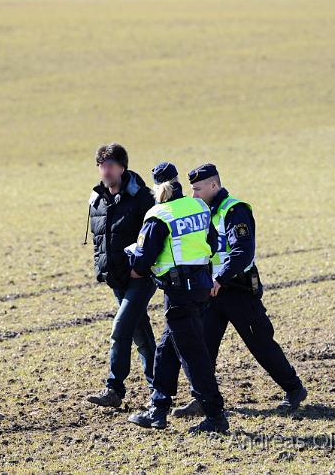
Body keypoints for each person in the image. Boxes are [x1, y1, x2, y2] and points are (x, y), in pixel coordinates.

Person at [171, 163, 307, 419]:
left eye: (198, 189)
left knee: (260, 343)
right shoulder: (201, 213)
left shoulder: (235, 210)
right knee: (203, 348)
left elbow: (244, 251)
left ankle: (294, 389)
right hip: (211, 292)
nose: (194, 195)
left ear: (214, 185)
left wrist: (220, 278)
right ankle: (202, 399)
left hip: (237, 289)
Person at [125, 162, 229, 434]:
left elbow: (145, 258)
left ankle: (215, 416)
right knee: (166, 348)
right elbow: (212, 241)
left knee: (194, 355)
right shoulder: (199, 207)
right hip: (200, 288)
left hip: (178, 291)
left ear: (157, 187)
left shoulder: (159, 214)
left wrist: (135, 267)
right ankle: (158, 409)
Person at [84, 143, 158, 408]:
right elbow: (99, 240)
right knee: (141, 335)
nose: (106, 170)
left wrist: (140, 268)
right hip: (117, 279)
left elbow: (154, 238)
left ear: (122, 167)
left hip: (141, 277)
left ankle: (114, 389)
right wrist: (104, 270)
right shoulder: (97, 199)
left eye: (111, 165)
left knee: (120, 329)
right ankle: (159, 390)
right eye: (102, 165)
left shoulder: (143, 198)